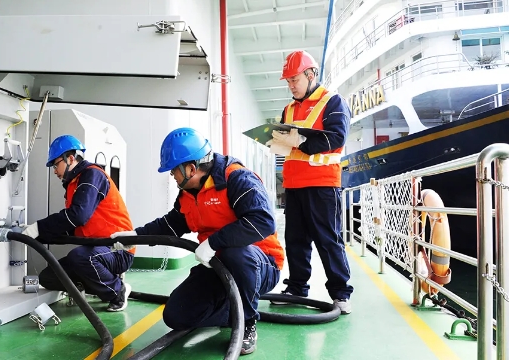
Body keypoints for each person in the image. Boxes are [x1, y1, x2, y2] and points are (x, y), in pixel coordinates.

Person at [112, 127, 283, 355]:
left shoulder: (238, 179)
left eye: (174, 171)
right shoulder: (187, 194)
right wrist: (134, 236)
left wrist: (214, 242)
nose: (172, 176)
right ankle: (235, 310)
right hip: (218, 267)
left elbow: (263, 221)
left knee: (235, 253)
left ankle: (247, 322)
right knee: (176, 315)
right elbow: (170, 225)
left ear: (191, 168)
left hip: (261, 266)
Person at [266, 50, 354, 314]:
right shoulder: (288, 109)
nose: (291, 86)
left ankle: (340, 293)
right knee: (295, 240)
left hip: (322, 184)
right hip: (294, 185)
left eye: (295, 80)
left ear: (310, 74)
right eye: (288, 81)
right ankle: (296, 287)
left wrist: (303, 143)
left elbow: (336, 137)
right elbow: (284, 142)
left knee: (328, 239)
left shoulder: (333, 101)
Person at [21, 134, 135, 312]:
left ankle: (118, 291)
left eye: (55, 164)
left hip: (117, 250)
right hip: (95, 248)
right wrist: (38, 235)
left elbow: (78, 216)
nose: (54, 171)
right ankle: (94, 285)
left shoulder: (92, 175)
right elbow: (73, 225)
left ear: (71, 159)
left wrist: (38, 227)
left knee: (80, 257)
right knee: (48, 277)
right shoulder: (73, 184)